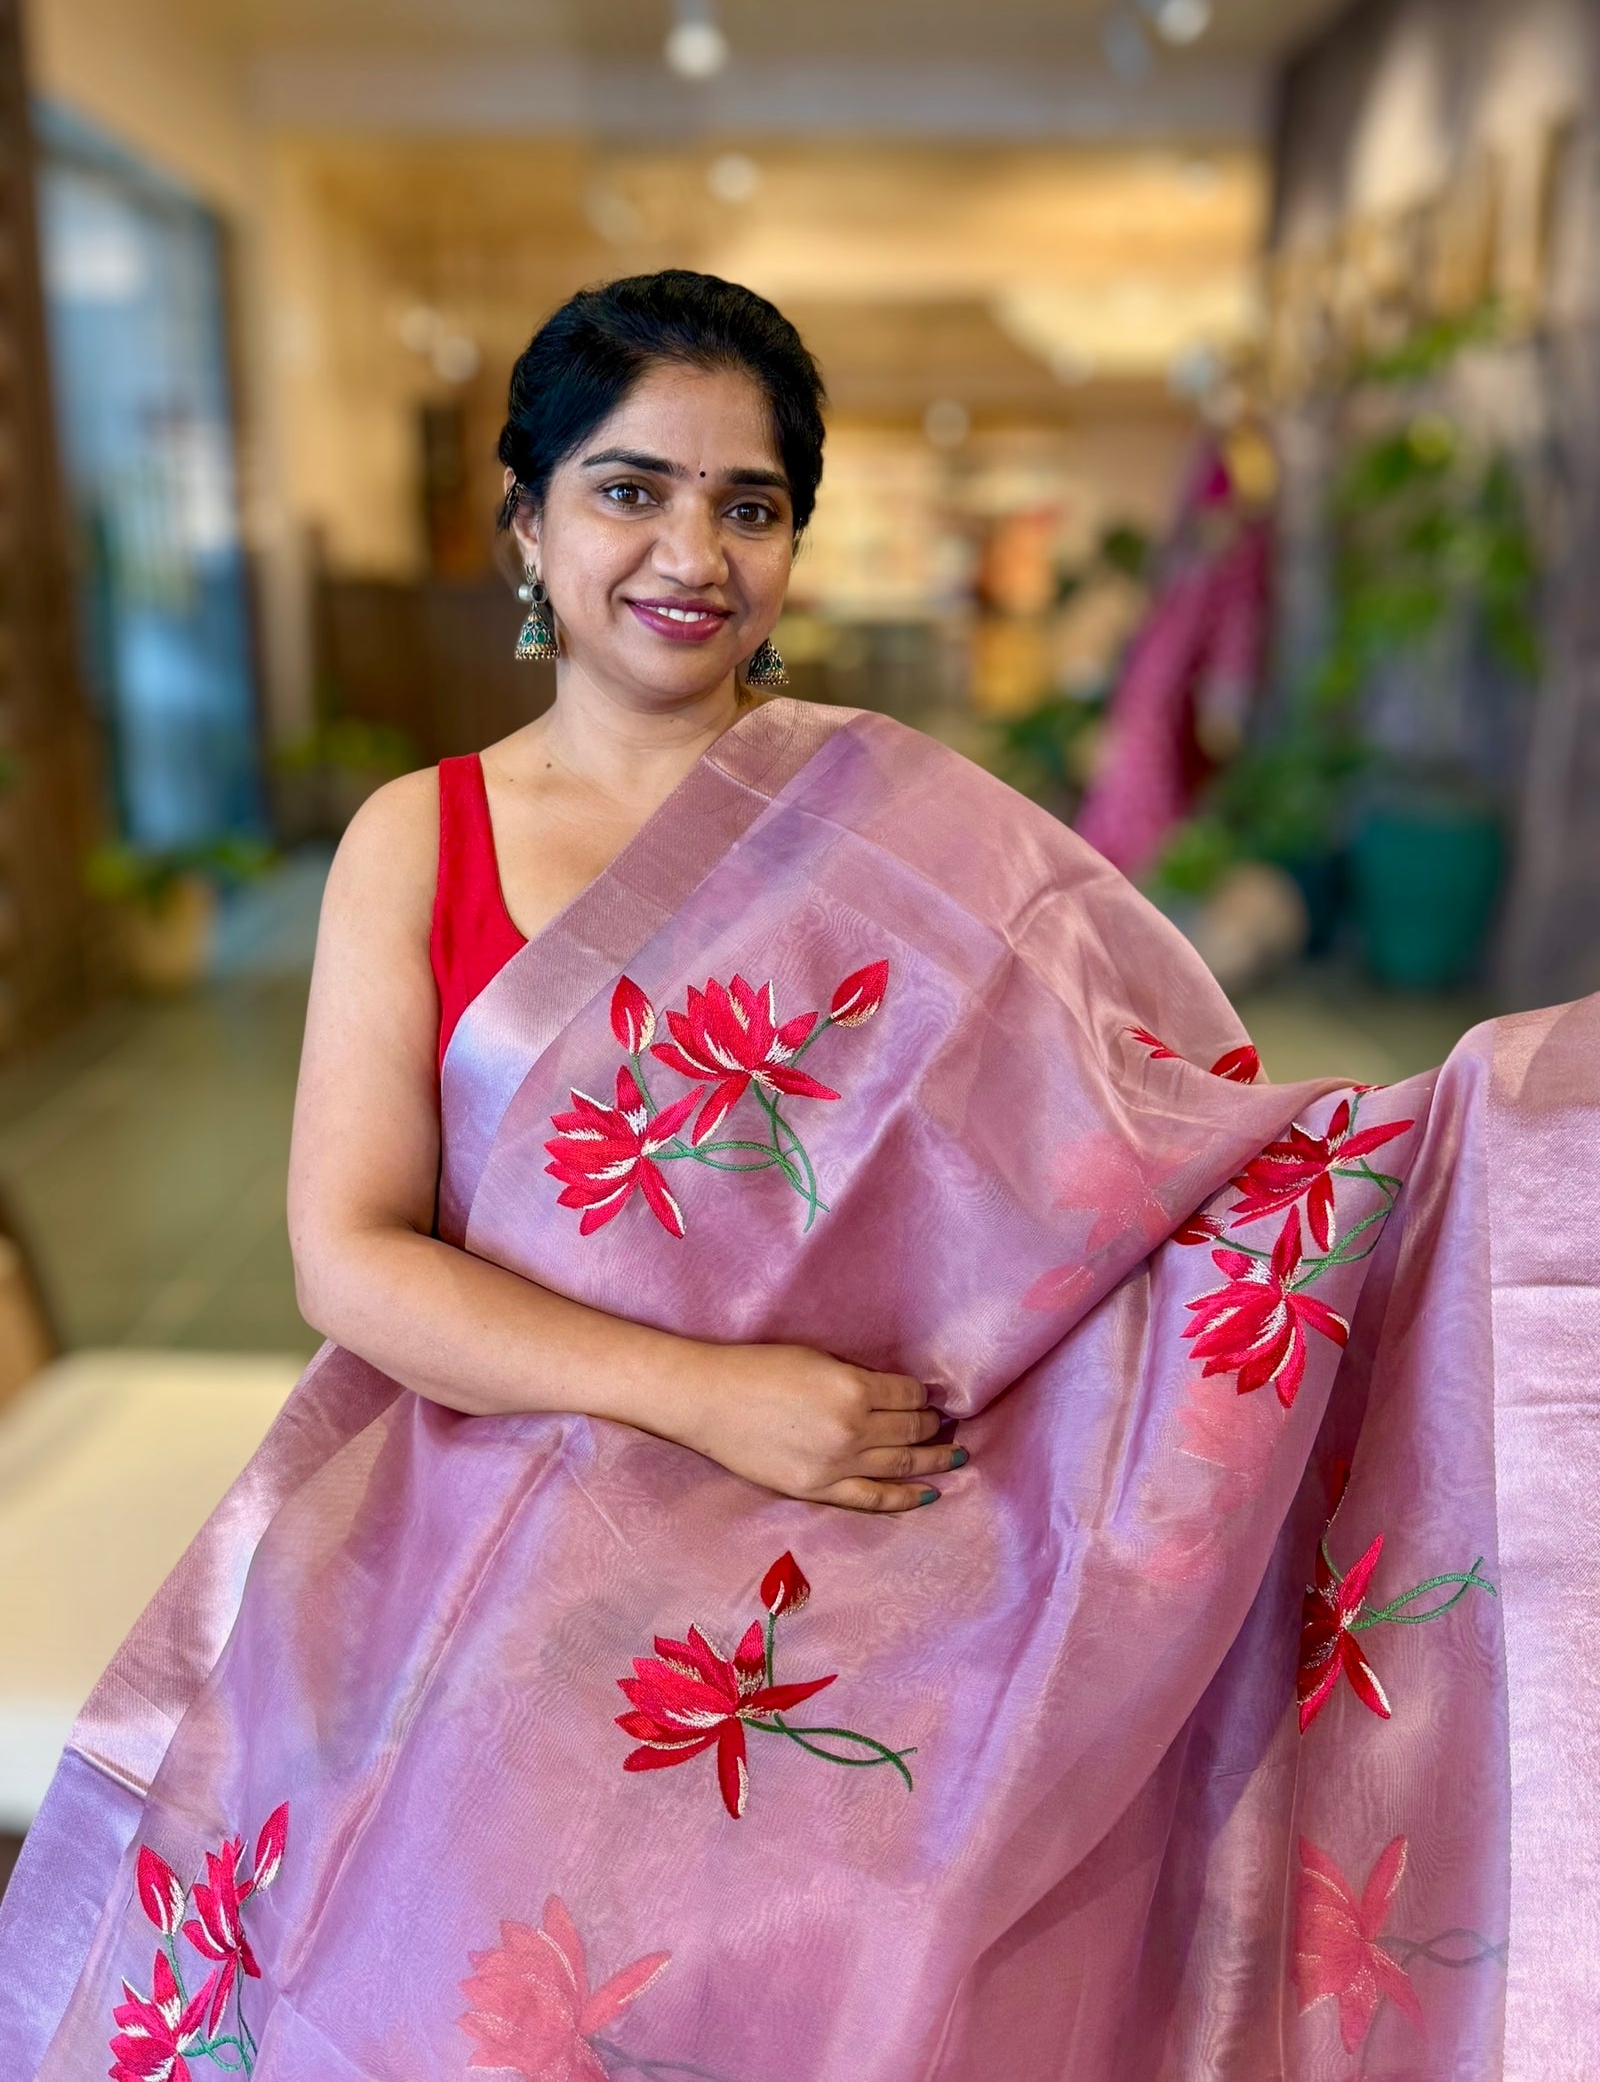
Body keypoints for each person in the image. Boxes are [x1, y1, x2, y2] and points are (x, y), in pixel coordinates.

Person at [1, 270, 1595, 2081]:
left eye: (747, 504)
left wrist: (1494, 1137)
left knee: (909, 1898)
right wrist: (712, 1396)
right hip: (495, 1507)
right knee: (453, 1910)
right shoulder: (419, 835)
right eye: (629, 488)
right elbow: (348, 1257)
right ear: (525, 519)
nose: (691, 549)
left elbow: (1161, 1162)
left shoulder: (910, 829)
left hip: (858, 1525)